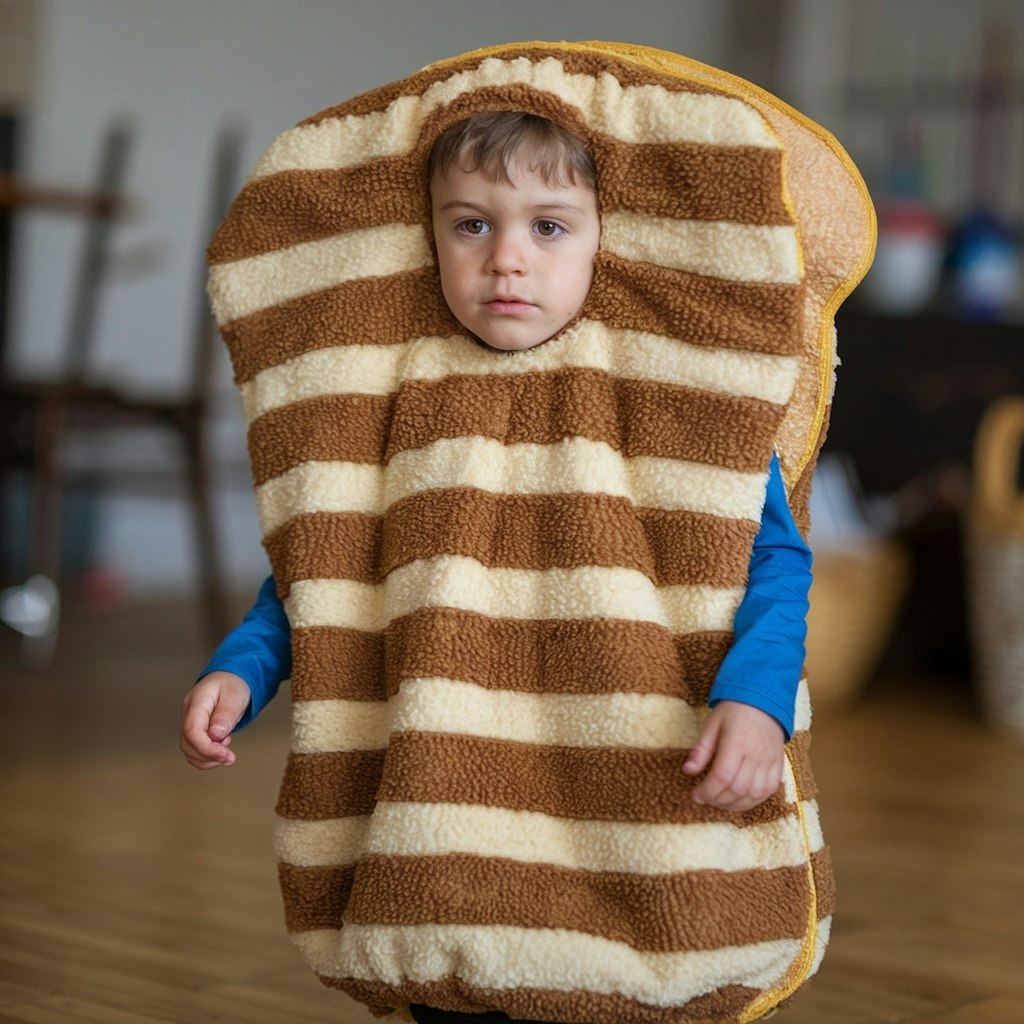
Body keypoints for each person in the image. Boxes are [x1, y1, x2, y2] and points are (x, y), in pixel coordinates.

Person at [181, 109, 813, 1024]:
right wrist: (242, 667)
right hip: (443, 779)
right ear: (427, 235)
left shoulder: (677, 393)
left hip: (623, 757)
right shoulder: (392, 396)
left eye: (548, 225)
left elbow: (770, 562)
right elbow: (327, 565)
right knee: (451, 959)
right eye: (471, 223)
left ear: (609, 238)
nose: (506, 257)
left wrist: (755, 701)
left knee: (622, 970)